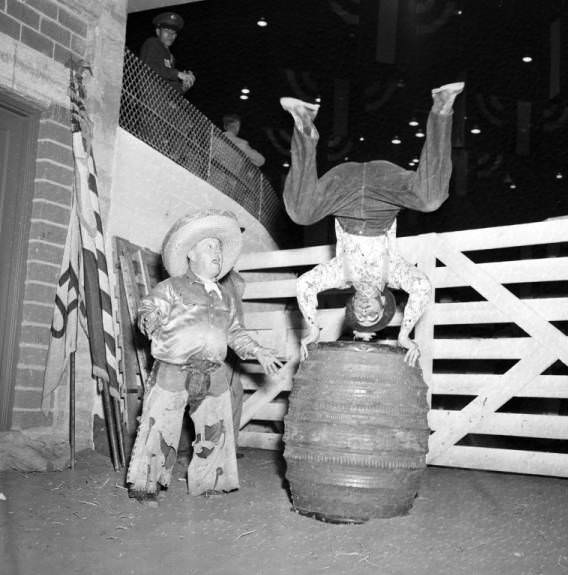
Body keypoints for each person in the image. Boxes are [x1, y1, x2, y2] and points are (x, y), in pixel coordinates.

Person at [281, 81, 464, 366]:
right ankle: (441, 110)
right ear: (384, 304)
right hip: (383, 195)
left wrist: (311, 328)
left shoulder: (339, 276)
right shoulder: (395, 275)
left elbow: (305, 285)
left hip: (345, 194)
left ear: (352, 305)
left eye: (360, 315)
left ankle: (304, 127)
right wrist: (405, 334)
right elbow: (422, 288)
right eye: (373, 315)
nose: (366, 312)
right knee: (431, 200)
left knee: (300, 214)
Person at [126, 209, 283, 502]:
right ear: (190, 254)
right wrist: (149, 319)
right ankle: (146, 484)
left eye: (220, 248)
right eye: (210, 246)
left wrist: (258, 350)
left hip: (213, 372)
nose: (217, 253)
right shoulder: (171, 287)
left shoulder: (225, 296)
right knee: (160, 425)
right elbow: (149, 308)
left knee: (216, 428)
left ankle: (210, 482)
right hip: (173, 369)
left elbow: (236, 332)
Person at [140, 11, 195, 93]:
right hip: (151, 95)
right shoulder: (153, 43)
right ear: (158, 32)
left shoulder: (170, 57)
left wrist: (183, 87)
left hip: (163, 100)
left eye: (173, 33)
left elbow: (168, 83)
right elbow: (149, 67)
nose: (170, 35)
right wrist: (178, 74)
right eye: (166, 31)